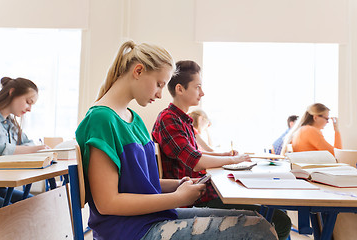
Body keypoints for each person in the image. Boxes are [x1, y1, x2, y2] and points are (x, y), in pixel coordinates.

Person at [75, 41, 278, 240]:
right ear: (138, 71)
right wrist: (177, 198)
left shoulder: (133, 119)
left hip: (147, 220)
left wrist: (178, 185)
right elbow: (108, 203)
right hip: (128, 231)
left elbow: (143, 184)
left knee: (257, 220)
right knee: (260, 231)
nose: (160, 93)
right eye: (159, 84)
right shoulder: (101, 119)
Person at [152, 60, 291, 240]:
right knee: (280, 219)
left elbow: (195, 153)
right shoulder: (169, 119)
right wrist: (233, 160)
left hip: (202, 192)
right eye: (198, 87)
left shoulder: (181, 119)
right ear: (180, 89)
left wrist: (224, 155)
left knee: (277, 210)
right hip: (195, 199)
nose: (202, 93)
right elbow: (196, 161)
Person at [0, 77, 49, 208]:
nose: (30, 109)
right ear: (12, 92)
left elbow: (29, 143)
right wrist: (32, 149)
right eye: (28, 102)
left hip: (1, 186)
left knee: (35, 204)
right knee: (12, 212)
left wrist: (17, 149)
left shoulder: (11, 124)